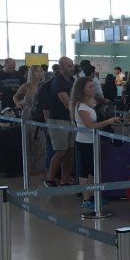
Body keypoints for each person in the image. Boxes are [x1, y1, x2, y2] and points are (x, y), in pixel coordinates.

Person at [70, 77, 121, 209]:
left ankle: (92, 194)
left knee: (93, 169)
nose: (93, 89)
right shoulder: (81, 107)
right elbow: (90, 125)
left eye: (93, 86)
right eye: (90, 87)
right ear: (82, 90)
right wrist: (108, 121)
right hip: (84, 142)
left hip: (93, 141)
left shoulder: (91, 103)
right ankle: (86, 198)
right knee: (84, 170)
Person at [44, 57, 75, 187]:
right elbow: (67, 103)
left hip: (70, 120)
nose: (72, 68)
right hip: (58, 120)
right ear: (61, 68)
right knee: (61, 151)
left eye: (72, 65)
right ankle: (49, 179)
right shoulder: (58, 82)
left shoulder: (72, 81)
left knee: (70, 151)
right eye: (69, 66)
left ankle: (65, 179)